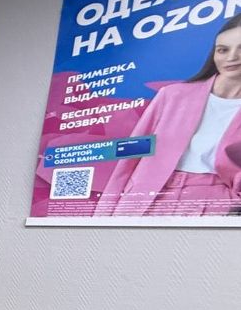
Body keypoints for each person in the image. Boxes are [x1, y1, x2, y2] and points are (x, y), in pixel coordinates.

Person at [95, 14, 241, 215]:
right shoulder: (172, 95)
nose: (232, 57)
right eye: (223, 50)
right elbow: (132, 154)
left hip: (213, 202)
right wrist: (103, 213)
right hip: (144, 194)